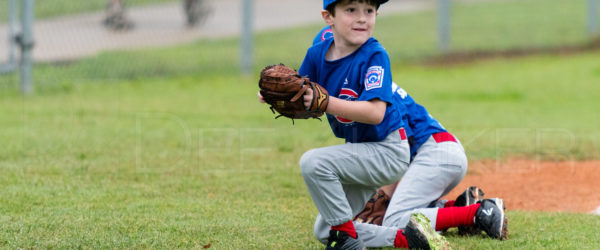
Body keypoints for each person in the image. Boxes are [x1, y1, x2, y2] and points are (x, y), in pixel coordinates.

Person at [307, 22, 508, 250]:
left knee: (394, 218)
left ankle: (480, 212)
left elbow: (400, 144)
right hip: (430, 154)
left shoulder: (374, 86)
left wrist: (385, 194)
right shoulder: (346, 93)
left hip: (435, 152)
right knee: (341, 227)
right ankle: (451, 207)